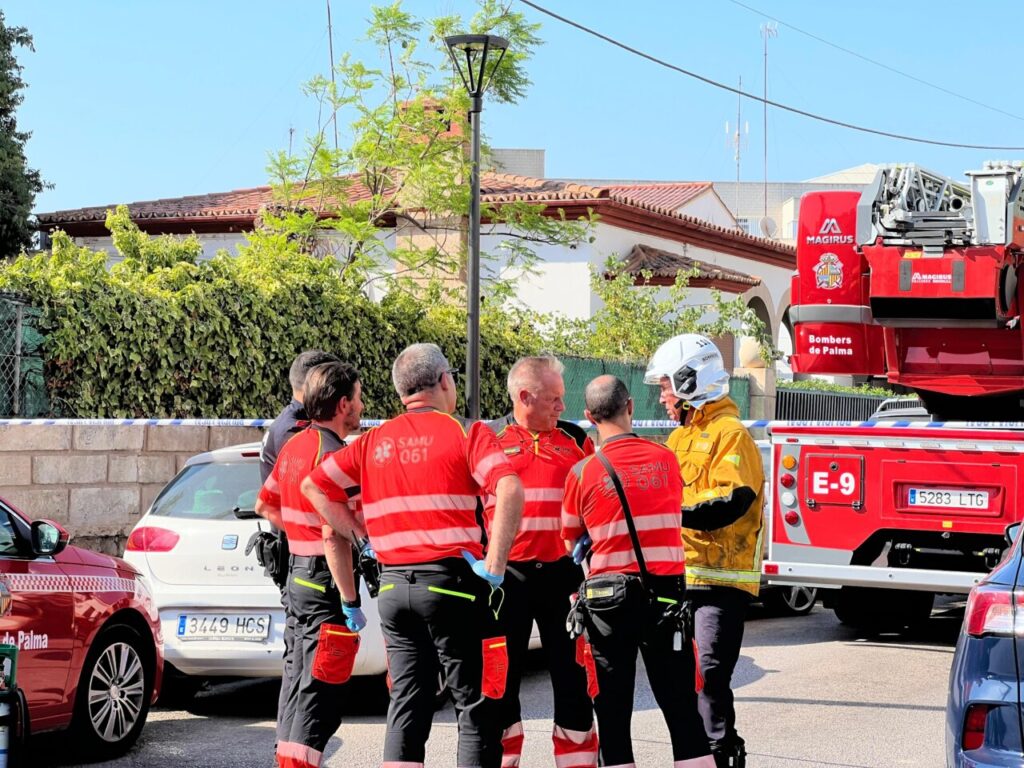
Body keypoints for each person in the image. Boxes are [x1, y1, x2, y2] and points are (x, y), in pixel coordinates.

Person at [302, 343, 525, 768]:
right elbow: (510, 487)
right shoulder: (467, 432)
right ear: (445, 381)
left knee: (408, 702)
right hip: (452, 584)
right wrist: (495, 566)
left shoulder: (373, 441)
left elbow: (314, 486)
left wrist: (361, 537)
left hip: (393, 587)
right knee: (476, 707)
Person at [561, 375, 714, 768]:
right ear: (630, 407)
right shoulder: (666, 459)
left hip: (608, 600)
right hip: (666, 595)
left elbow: (569, 540)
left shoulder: (582, 472)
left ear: (589, 416)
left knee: (612, 714)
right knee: (682, 710)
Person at [644, 334, 764, 768]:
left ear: (690, 381)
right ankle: (697, 757)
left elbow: (731, 502)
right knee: (682, 681)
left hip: (721, 581)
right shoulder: (678, 439)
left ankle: (721, 754)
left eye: (665, 387)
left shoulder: (730, 435)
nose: (661, 397)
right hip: (681, 578)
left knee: (710, 678)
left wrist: (668, 512)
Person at [484, 356, 597, 768]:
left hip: (562, 577)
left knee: (573, 678)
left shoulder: (576, 439)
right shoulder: (489, 438)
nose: (561, 407)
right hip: (506, 580)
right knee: (501, 681)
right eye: (554, 399)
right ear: (525, 397)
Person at [255, 361, 368, 768]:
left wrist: (298, 536)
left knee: (298, 681)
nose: (361, 406)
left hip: (297, 575)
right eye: (358, 398)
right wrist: (351, 600)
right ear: (342, 405)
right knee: (321, 693)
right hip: (325, 579)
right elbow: (333, 534)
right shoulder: (336, 455)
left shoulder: (293, 446)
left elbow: (264, 504)